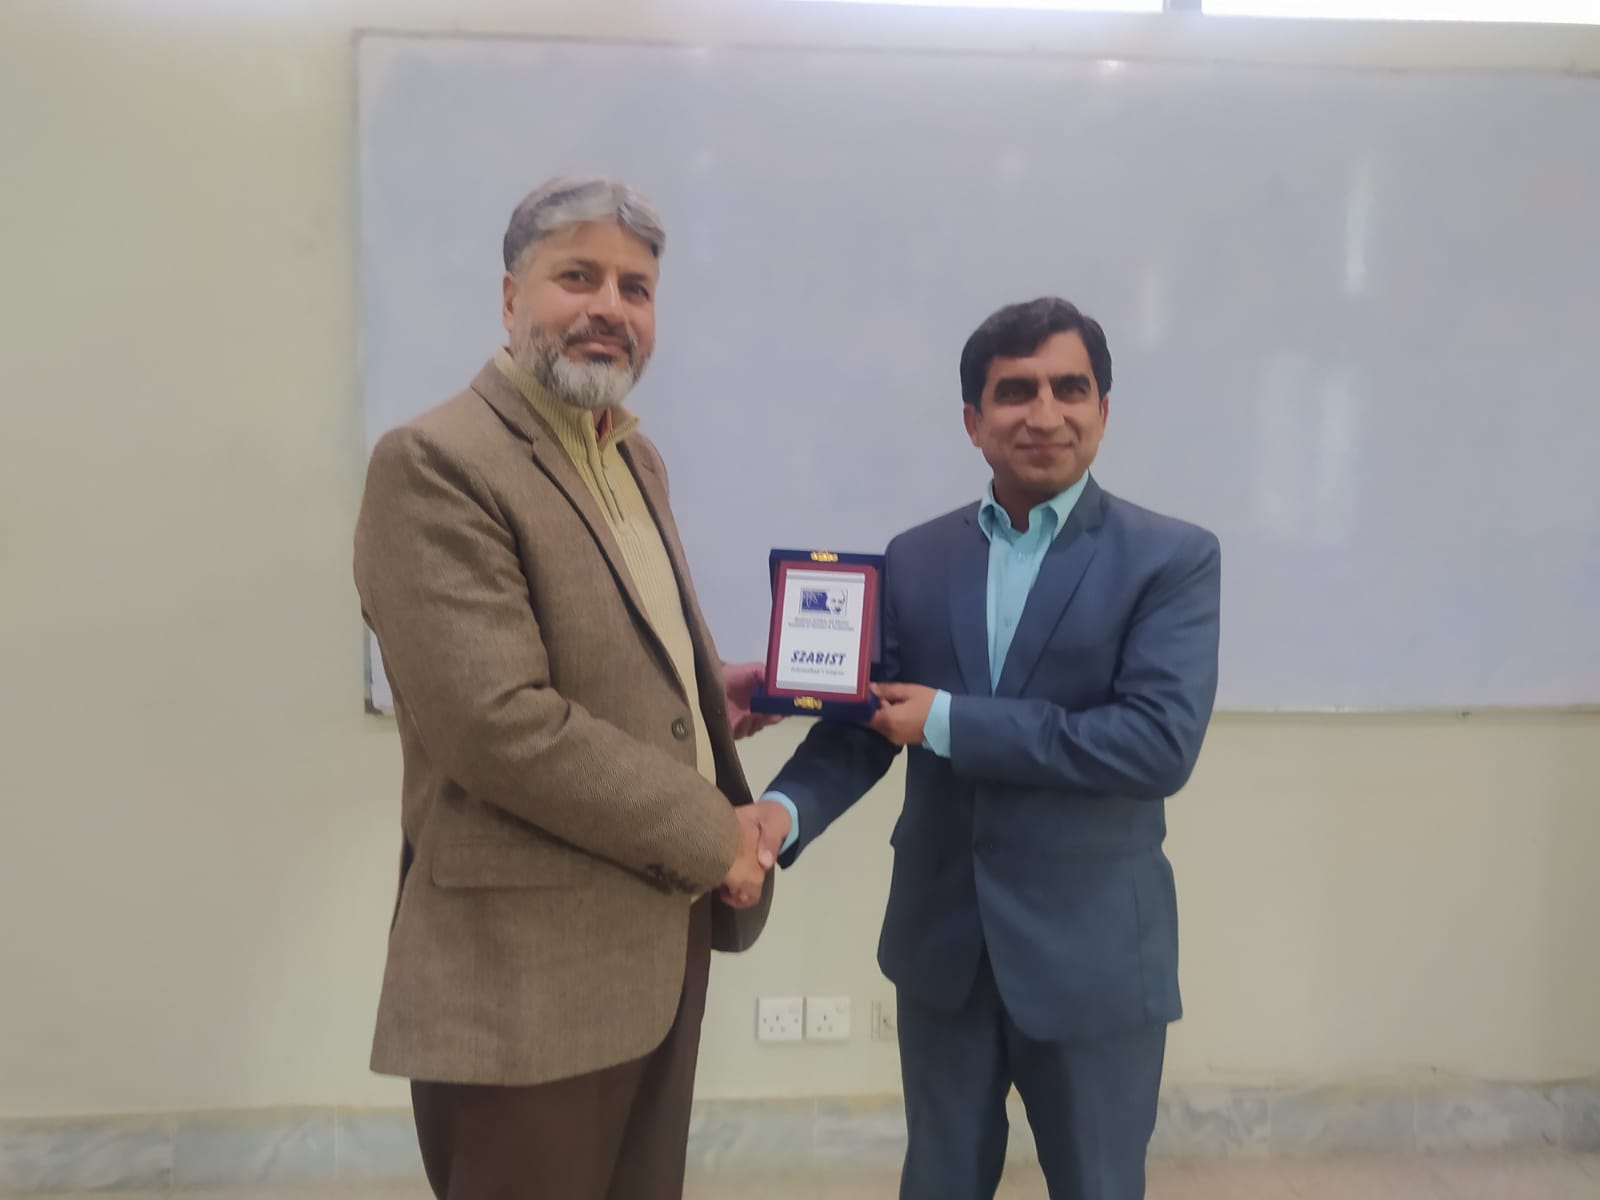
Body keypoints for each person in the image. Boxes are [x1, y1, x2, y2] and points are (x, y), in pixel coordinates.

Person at [353, 176, 782, 1200]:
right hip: (524, 980)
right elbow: (499, 723)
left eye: (636, 288)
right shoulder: (437, 461)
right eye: (577, 277)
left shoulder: (632, 457)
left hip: (654, 944)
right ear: (512, 298)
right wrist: (714, 832)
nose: (610, 307)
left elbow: (603, 651)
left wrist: (702, 694)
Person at [751, 297, 1222, 1200]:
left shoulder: (1171, 559)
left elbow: (1156, 744)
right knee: (938, 1182)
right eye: (1015, 392)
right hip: (943, 951)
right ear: (973, 420)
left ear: (1104, 409)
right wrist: (779, 813)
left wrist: (948, 723)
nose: (1044, 414)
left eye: (1069, 389)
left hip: (1092, 958)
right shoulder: (916, 557)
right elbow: (863, 726)